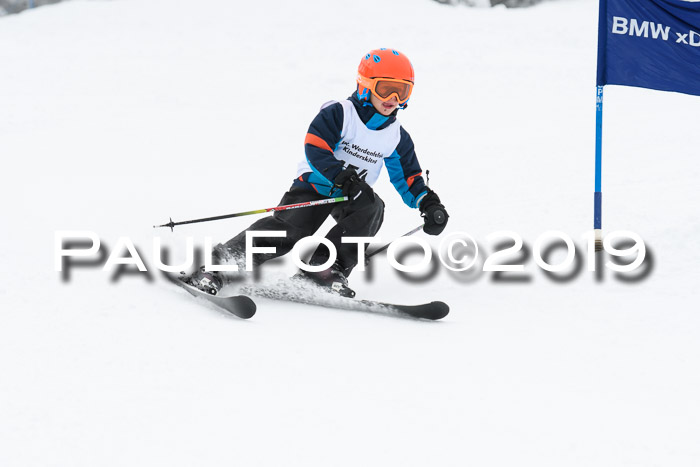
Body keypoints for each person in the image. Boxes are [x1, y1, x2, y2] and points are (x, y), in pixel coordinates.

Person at [186, 48, 449, 297]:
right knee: (287, 232)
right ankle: (217, 267)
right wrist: (341, 176)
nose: (394, 100)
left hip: (354, 196)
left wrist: (428, 203)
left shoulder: (396, 137)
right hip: (315, 186)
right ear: (365, 85)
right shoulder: (340, 113)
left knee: (372, 207)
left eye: (402, 92)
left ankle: (324, 270)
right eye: (386, 89)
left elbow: (408, 178)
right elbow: (316, 147)